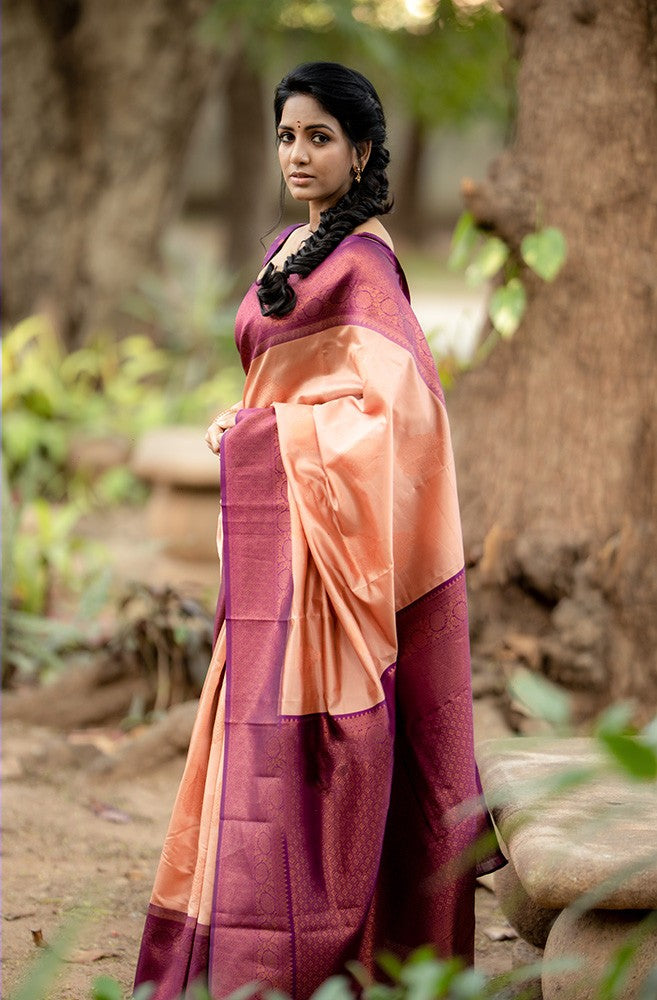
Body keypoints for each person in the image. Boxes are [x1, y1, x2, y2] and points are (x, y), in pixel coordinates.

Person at [133, 61, 504, 1000]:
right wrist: (244, 416)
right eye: (288, 135)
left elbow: (392, 419)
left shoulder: (367, 267)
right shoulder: (286, 245)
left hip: (335, 558)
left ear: (362, 150)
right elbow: (286, 383)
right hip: (279, 545)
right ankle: (247, 950)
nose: (298, 153)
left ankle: (325, 954)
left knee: (327, 745)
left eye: (319, 138)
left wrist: (271, 436)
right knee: (258, 745)